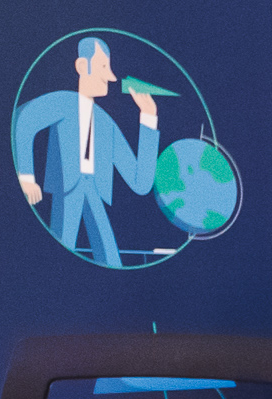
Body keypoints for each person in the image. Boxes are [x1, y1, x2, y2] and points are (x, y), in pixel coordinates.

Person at [12, 36, 161, 266]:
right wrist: (27, 177)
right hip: (67, 191)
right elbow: (23, 121)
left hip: (95, 192)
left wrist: (148, 116)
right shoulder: (64, 102)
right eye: (103, 67)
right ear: (82, 66)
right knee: (58, 258)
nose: (110, 77)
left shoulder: (107, 125)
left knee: (111, 260)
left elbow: (140, 183)